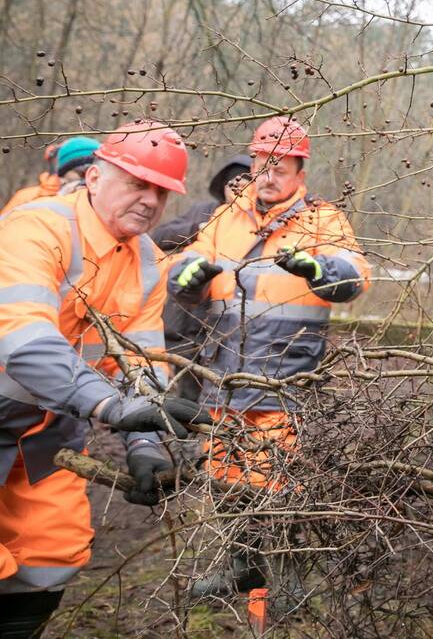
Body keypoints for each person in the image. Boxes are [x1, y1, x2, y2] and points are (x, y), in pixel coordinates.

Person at [0, 121, 210, 638]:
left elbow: (141, 362)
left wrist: (144, 440)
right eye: (136, 183)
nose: (149, 200)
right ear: (93, 177)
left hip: (47, 435)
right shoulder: (35, 228)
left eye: (161, 191)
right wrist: (110, 408)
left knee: (50, 551)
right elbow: (24, 340)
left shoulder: (146, 263)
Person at [168, 116, 369, 603]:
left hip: (285, 376)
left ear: (300, 169)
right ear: (252, 162)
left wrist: (322, 268)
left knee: (280, 481)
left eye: (281, 166)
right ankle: (241, 566)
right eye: (263, 163)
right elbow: (183, 276)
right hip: (223, 374)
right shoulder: (224, 218)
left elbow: (356, 277)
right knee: (226, 477)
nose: (270, 174)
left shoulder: (323, 220)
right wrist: (184, 276)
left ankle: (288, 579)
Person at [151, 154, 252, 401]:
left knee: (218, 388)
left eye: (246, 185)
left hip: (223, 324)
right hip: (185, 319)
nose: (238, 191)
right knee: (183, 385)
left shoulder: (260, 224)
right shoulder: (203, 212)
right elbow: (159, 236)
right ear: (223, 188)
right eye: (233, 185)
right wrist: (198, 229)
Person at [2, 136, 101, 214]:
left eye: (96, 175)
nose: (89, 180)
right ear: (62, 175)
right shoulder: (28, 198)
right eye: (82, 174)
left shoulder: (106, 204)